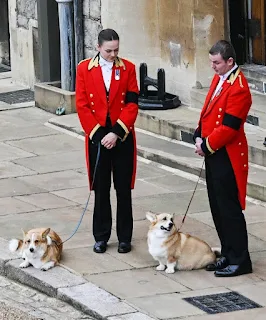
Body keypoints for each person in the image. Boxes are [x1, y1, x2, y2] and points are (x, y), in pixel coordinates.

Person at [75, 29, 139, 254]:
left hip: (121, 136)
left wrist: (117, 133)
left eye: (116, 50)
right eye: (109, 50)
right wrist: (100, 135)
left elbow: (132, 104)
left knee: (123, 189)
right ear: (98, 48)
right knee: (101, 189)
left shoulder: (128, 68)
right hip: (98, 137)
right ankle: (101, 236)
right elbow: (82, 105)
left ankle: (124, 237)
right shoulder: (84, 68)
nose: (113, 54)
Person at [193, 40, 252, 277]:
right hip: (214, 152)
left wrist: (205, 145)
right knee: (217, 207)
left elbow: (229, 127)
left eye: (216, 63)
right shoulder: (220, 78)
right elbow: (208, 111)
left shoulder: (239, 87)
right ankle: (227, 253)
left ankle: (241, 259)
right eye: (211, 62)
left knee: (229, 209)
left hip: (227, 155)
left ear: (229, 61)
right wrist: (199, 134)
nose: (213, 67)